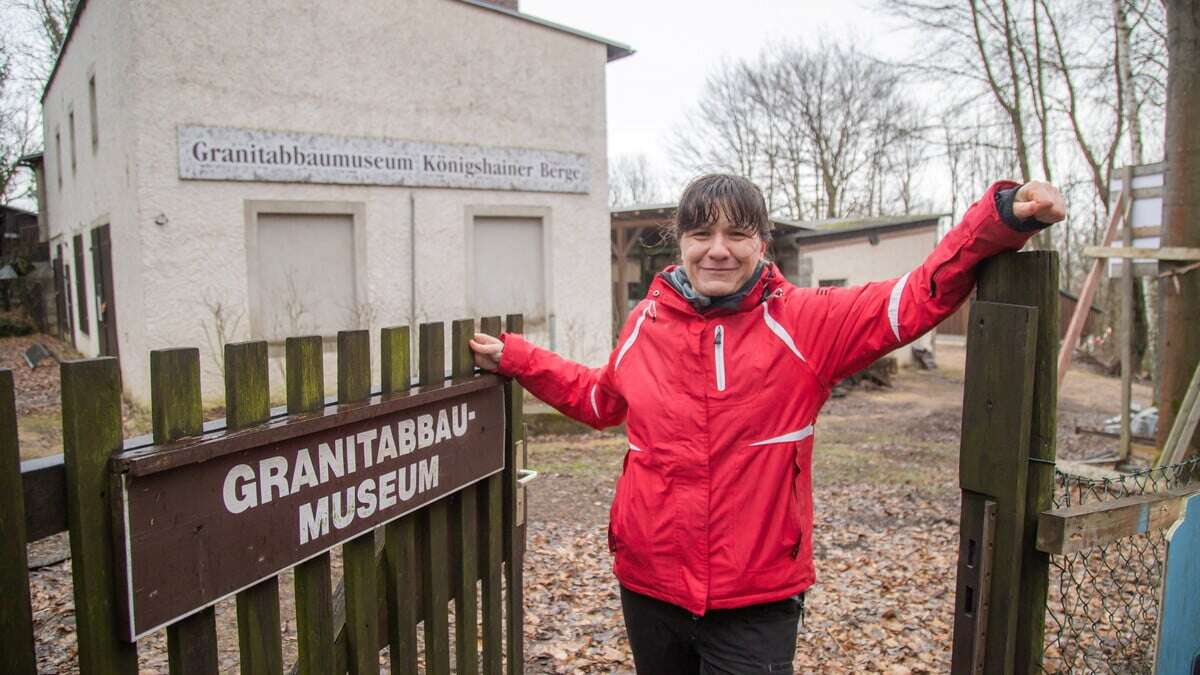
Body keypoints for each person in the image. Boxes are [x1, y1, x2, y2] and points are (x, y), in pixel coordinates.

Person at [470, 174, 1064, 674]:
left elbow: (915, 297)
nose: (717, 250)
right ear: (680, 242)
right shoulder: (644, 324)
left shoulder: (808, 323)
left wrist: (1004, 218)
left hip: (756, 595)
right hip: (649, 583)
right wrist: (520, 359)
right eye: (701, 233)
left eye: (737, 233)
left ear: (763, 242)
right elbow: (600, 400)